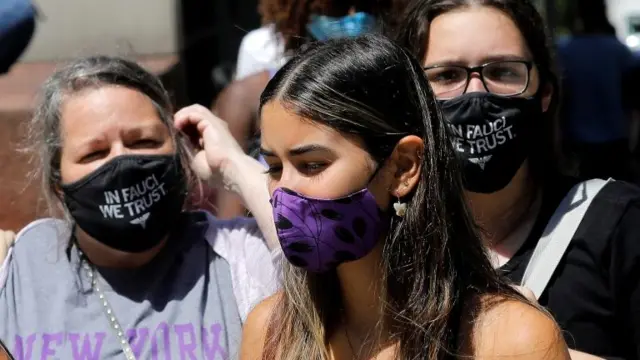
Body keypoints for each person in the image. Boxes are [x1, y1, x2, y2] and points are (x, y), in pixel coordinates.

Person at [240, 35, 569, 360]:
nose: (285, 190)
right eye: (273, 168)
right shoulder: (271, 334)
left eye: (312, 165)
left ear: (403, 167)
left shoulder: (513, 341)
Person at [393, 0, 640, 358]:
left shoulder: (619, 225)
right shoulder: (385, 244)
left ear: (544, 94)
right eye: (446, 76)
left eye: (503, 72)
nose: (476, 93)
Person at [0, 56, 280, 359]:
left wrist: (233, 165)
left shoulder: (240, 256)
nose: (122, 162)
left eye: (143, 141)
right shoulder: (17, 272)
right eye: (95, 152)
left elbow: (317, 256)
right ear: (58, 182)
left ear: (179, 151)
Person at [212, 0, 405, 219]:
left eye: (364, 7)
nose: (287, 192)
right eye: (274, 168)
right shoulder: (245, 97)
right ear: (297, 11)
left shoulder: (399, 87)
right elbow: (231, 221)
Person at [556, 0, 636, 181]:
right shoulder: (618, 50)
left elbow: (563, 98)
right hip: (616, 138)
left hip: (579, 141)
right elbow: (631, 97)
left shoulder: (566, 51)